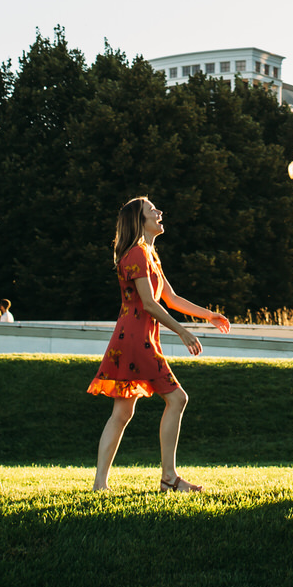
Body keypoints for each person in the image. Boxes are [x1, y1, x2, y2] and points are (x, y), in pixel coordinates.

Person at [88, 195, 232, 492]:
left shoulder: (148, 254)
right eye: (152, 210)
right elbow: (150, 304)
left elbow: (172, 298)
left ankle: (101, 484)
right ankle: (169, 478)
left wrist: (209, 315)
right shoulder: (137, 255)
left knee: (123, 413)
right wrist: (183, 332)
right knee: (177, 399)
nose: (159, 212)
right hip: (136, 340)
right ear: (140, 221)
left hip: (132, 338)